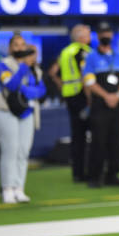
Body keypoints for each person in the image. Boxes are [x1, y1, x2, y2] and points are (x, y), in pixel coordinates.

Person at [0, 35, 45, 204]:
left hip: (26, 111)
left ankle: (19, 188)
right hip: (6, 110)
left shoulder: (34, 68)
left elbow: (41, 89)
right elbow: (10, 84)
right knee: (10, 149)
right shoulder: (3, 65)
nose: (19, 48)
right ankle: (7, 188)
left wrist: (31, 91)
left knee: (23, 151)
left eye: (22, 44)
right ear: (10, 48)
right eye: (16, 45)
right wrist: (24, 68)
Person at [82, 22, 119, 188]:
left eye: (108, 33)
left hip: (116, 104)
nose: (105, 36)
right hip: (99, 105)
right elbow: (88, 80)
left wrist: (117, 95)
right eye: (102, 33)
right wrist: (106, 96)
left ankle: (112, 175)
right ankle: (95, 176)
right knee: (98, 141)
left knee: (115, 140)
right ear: (98, 35)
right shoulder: (91, 57)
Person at [48, 24, 92, 183]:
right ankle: (84, 172)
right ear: (80, 37)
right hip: (81, 96)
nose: (90, 37)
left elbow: (53, 72)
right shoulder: (82, 51)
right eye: (88, 34)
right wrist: (90, 99)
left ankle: (77, 172)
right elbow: (85, 76)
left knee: (76, 135)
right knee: (85, 135)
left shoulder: (65, 52)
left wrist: (63, 88)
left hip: (69, 96)